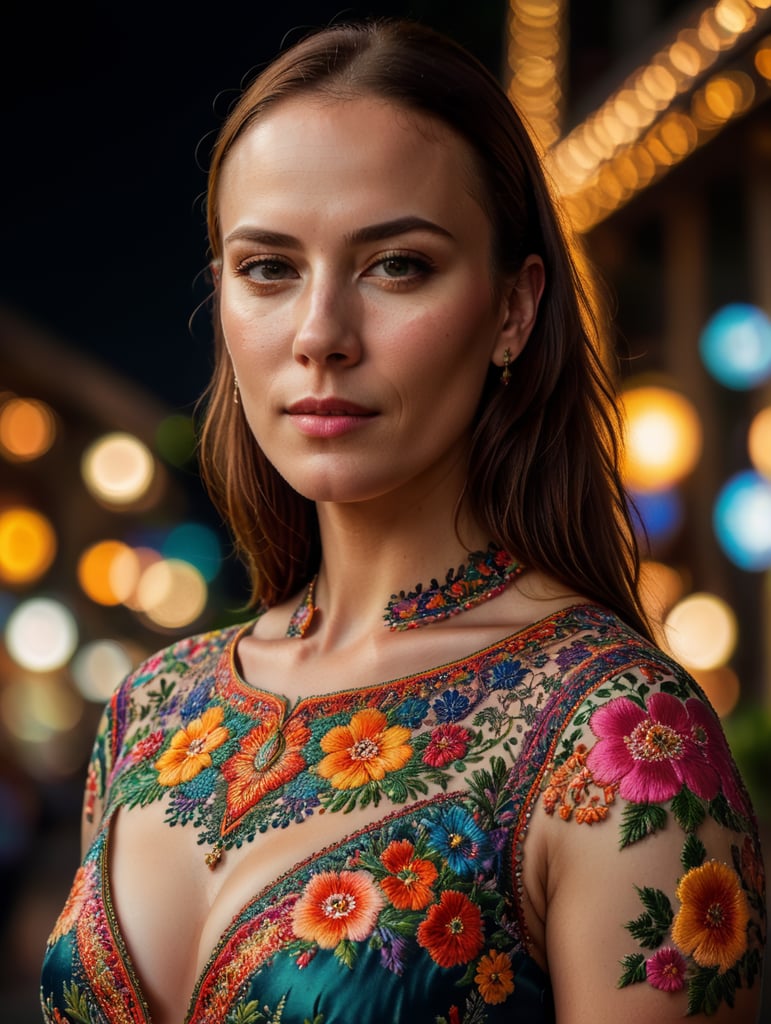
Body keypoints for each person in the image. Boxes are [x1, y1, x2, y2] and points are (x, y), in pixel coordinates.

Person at [41, 18, 766, 1024]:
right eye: (269, 268)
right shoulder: (148, 709)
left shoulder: (621, 737)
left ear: (515, 309)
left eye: (397, 266)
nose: (320, 336)